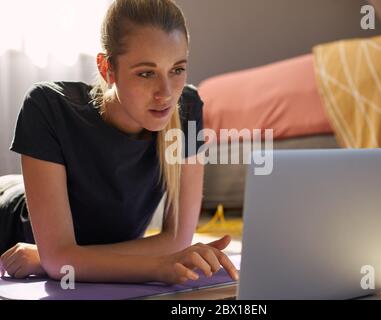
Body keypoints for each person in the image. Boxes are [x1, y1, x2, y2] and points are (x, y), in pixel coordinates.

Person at [0, 0, 239, 284]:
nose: (166, 93)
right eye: (146, 73)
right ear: (106, 68)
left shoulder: (186, 108)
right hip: (11, 230)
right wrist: (157, 267)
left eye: (177, 69)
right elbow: (59, 260)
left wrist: (59, 259)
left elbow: (176, 241)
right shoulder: (47, 107)